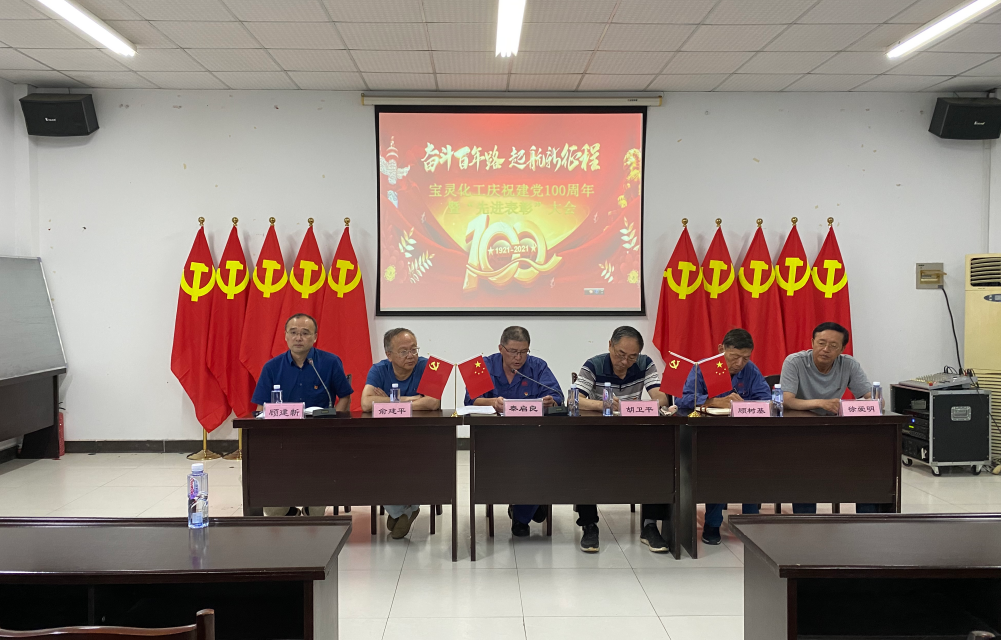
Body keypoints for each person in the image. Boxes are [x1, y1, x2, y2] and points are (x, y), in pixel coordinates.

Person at [573, 326, 672, 553]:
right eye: (620, 354)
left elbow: (661, 397)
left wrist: (646, 405)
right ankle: (589, 526)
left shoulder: (645, 364)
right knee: (582, 464)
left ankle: (649, 526)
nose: (625, 362)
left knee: (659, 462)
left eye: (632, 357)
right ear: (610, 345)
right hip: (597, 436)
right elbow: (574, 400)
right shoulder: (593, 365)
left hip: (632, 436)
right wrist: (602, 404)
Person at [465, 326, 563, 537]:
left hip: (532, 437)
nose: (519, 358)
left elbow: (557, 397)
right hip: (493, 438)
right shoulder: (482, 365)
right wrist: (493, 402)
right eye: (513, 352)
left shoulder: (537, 366)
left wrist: (551, 401)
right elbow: (470, 400)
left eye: (524, 352)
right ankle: (528, 508)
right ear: (501, 348)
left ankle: (521, 515)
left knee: (536, 459)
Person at [252, 313, 353, 517]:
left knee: (317, 498)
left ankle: (310, 510)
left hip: (320, 437)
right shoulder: (272, 367)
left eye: (305, 333)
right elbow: (261, 407)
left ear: (315, 337)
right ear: (285, 336)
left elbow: (344, 396)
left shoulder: (330, 362)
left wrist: (335, 424)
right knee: (264, 487)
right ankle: (288, 511)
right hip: (281, 439)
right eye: (293, 332)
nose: (298, 338)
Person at [677, 328, 772, 545]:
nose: (739, 363)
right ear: (721, 349)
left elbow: (766, 400)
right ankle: (712, 523)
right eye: (734, 357)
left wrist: (744, 405)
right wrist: (712, 401)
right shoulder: (703, 368)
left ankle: (750, 521)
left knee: (753, 464)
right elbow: (682, 400)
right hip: (709, 437)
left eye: (745, 358)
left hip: (742, 436)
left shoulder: (751, 370)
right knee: (719, 467)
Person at [780, 321, 877, 514]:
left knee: (867, 463)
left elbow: (871, 398)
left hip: (834, 429)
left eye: (833, 346)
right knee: (805, 468)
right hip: (800, 430)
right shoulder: (795, 362)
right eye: (821, 343)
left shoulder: (848, 364)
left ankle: (867, 519)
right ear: (812, 342)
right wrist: (820, 403)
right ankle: (806, 518)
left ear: (842, 349)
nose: (826, 349)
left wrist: (872, 402)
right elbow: (786, 401)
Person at [361, 328, 442, 539]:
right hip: (387, 437)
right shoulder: (379, 370)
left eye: (414, 349)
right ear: (389, 355)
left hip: (422, 437)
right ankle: (404, 509)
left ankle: (399, 510)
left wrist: (387, 400)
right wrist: (410, 399)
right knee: (372, 461)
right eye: (404, 351)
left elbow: (433, 402)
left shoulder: (429, 366)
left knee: (407, 461)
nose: (411, 355)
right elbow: (366, 403)